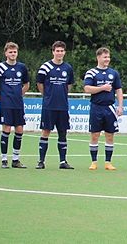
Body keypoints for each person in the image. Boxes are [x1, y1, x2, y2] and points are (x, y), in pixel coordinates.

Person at [83, 47, 123, 171]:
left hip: (110, 108)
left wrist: (120, 105)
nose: (107, 59)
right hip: (96, 107)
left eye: (108, 57)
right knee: (95, 135)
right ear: (98, 57)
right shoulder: (91, 72)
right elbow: (87, 89)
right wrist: (102, 88)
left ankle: (108, 162)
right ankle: (94, 162)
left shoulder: (113, 73)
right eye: (105, 57)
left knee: (110, 135)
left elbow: (118, 90)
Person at [36, 40, 74, 169]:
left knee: (62, 133)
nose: (59, 53)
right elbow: (39, 83)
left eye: (62, 51)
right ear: (53, 52)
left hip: (62, 106)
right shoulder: (45, 67)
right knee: (45, 131)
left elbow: (69, 85)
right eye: (57, 51)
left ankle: (63, 161)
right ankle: (41, 161)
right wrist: (47, 96)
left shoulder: (68, 68)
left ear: (64, 52)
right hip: (49, 105)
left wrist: (63, 95)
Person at [0, 42, 29, 168]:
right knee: (6, 129)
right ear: (6, 53)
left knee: (19, 130)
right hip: (6, 104)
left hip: (18, 104)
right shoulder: (0, 67)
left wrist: (19, 95)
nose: (13, 54)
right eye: (10, 52)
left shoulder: (22, 67)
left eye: (15, 52)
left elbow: (26, 84)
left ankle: (16, 160)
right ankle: (4, 159)